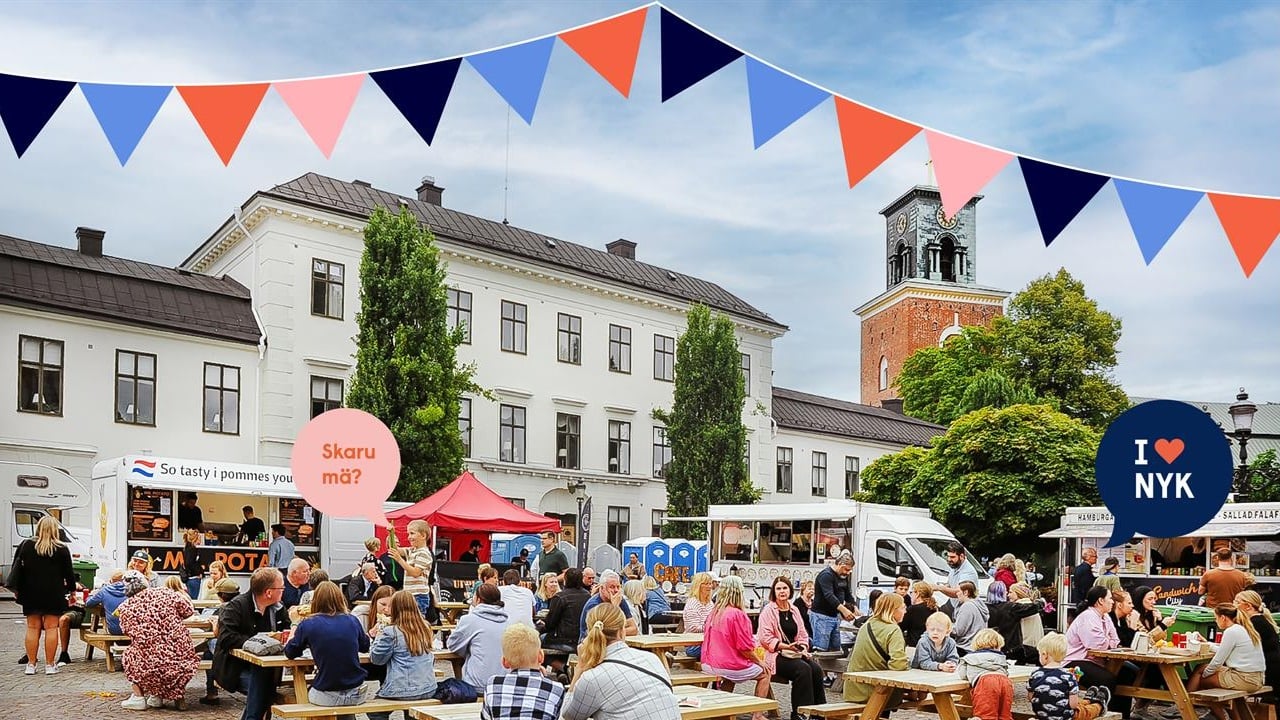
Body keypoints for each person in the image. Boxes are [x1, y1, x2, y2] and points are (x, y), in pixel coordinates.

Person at [562, 603, 680, 720]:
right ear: (622, 631)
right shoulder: (652, 659)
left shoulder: (592, 678)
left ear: (589, 632)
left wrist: (580, 668)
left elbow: (568, 715)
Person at [213, 566, 292, 720]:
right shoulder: (236, 607)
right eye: (281, 588)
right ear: (269, 592)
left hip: (268, 669)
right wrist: (257, 642)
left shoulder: (278, 608)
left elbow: (286, 630)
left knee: (263, 685)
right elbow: (226, 638)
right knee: (263, 689)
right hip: (235, 668)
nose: (284, 590)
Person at [116, 570, 200, 710]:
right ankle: (168, 697)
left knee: (130, 654)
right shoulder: (165, 593)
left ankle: (138, 697)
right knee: (174, 650)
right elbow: (188, 610)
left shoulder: (125, 608)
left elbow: (127, 632)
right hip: (181, 658)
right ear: (145, 582)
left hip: (151, 662)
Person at [284, 581, 369, 718]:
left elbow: (289, 652)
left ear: (315, 601)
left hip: (326, 693)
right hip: (355, 693)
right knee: (344, 702)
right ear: (340, 598)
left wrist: (294, 623)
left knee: (302, 694)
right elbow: (365, 647)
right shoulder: (352, 620)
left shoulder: (308, 624)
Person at [10, 515, 76, 676]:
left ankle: (31, 665)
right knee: (51, 628)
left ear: (38, 528)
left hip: (30, 592)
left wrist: (17, 589)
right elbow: (69, 574)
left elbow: (16, 568)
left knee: (32, 628)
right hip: (53, 593)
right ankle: (50, 664)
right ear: (55, 530)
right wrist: (72, 590)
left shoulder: (26, 545)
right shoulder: (62, 549)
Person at [757, 575, 826, 720]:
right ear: (774, 591)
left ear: (790, 590)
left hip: (793, 652)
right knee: (803, 669)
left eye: (785, 588)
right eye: (778, 589)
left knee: (816, 669)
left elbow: (802, 633)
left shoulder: (794, 609)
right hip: (774, 654)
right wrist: (784, 646)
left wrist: (802, 647)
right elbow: (765, 638)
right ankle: (799, 713)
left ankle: (819, 712)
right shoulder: (768, 611)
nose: (782, 591)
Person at [367, 589, 437, 720]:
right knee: (411, 709)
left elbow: (377, 659)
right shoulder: (425, 628)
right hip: (428, 687)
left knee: (375, 712)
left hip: (402, 689)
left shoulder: (391, 631)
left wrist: (378, 636)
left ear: (396, 609)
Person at [1064, 586, 1132, 719]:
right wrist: (1108, 642)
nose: (1112, 602)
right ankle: (1102, 714)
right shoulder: (1088, 617)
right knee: (1107, 679)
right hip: (1075, 661)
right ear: (1100, 601)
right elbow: (1096, 645)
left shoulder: (1105, 617)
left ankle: (1123, 716)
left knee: (1128, 674)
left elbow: (1115, 640)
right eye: (1110, 598)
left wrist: (1108, 642)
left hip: (1096, 660)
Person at [483, 623, 565, 720]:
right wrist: (544, 679)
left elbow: (486, 717)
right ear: (541, 657)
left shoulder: (492, 685)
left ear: (504, 662)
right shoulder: (556, 689)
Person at [1186, 604, 1265, 696]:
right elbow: (1224, 650)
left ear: (1223, 617)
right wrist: (1206, 643)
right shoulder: (1243, 628)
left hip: (1245, 679)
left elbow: (1217, 661)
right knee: (1200, 668)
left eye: (1216, 618)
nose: (1215, 621)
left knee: (1202, 679)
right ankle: (1189, 703)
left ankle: (1186, 704)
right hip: (1257, 677)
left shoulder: (1231, 631)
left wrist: (1205, 675)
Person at [845, 592, 909, 704]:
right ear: (893, 610)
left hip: (854, 689)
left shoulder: (866, 625)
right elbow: (898, 665)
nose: (905, 611)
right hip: (877, 692)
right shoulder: (893, 630)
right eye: (903, 608)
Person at [1029, 632, 1111, 720]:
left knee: (1065, 701)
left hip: (1042, 716)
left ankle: (1088, 700)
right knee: (1083, 712)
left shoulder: (1035, 674)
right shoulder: (1069, 676)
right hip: (1066, 717)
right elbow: (1073, 705)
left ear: (1045, 655)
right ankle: (1099, 705)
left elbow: (1031, 698)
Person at [448, 582, 512, 694]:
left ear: (478, 599)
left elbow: (452, 645)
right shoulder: (509, 622)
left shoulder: (469, 620)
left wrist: (468, 650)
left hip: (477, 685)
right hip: (504, 683)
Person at [958, 628, 1013, 720]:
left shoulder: (969, 657)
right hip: (1005, 682)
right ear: (998, 646)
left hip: (985, 683)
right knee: (1005, 714)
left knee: (986, 714)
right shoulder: (1001, 657)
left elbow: (963, 674)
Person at [1234, 590, 1280, 695]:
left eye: (1237, 602)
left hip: (1266, 674)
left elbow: (1239, 648)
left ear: (1248, 606)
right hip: (1270, 669)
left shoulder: (1254, 624)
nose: (1233, 605)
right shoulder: (1260, 620)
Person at [989, 582, 1047, 664]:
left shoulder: (1018, 607)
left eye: (1011, 592)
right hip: (1034, 647)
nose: (1008, 595)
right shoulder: (1029, 606)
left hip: (1024, 648)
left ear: (1019, 593)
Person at [812, 551, 858, 651]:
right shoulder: (826, 575)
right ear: (840, 564)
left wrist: (855, 607)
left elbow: (847, 594)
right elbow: (829, 596)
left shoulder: (843, 577)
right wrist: (844, 610)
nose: (847, 572)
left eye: (849, 570)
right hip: (822, 616)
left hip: (834, 616)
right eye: (846, 569)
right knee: (821, 649)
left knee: (835, 648)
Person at [387, 519, 434, 618]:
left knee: (415, 622)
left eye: (412, 533)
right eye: (409, 534)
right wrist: (391, 534)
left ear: (423, 536)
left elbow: (415, 573)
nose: (409, 537)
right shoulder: (412, 550)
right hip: (409, 594)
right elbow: (394, 549)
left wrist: (399, 560)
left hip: (419, 596)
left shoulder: (424, 553)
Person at [579, 570, 639, 640]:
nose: (616, 590)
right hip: (591, 645)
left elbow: (634, 629)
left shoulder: (620, 600)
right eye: (612, 587)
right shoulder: (594, 605)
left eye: (618, 587)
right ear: (602, 588)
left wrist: (616, 632)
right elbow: (600, 634)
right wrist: (615, 608)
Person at [682, 572, 716, 660]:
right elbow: (694, 627)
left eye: (710, 583)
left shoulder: (710, 603)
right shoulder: (692, 604)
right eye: (706, 584)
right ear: (698, 586)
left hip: (707, 640)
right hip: (693, 645)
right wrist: (711, 627)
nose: (709, 586)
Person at [85, 569, 129, 635]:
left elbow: (88, 603)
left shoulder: (104, 591)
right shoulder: (132, 590)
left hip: (114, 631)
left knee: (105, 617)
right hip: (131, 629)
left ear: (111, 580)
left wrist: (90, 595)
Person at [952, 580, 989, 653]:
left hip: (965, 648)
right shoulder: (980, 604)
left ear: (965, 592)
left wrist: (946, 627)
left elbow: (958, 631)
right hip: (977, 646)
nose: (956, 594)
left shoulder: (967, 606)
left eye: (958, 591)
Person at [901, 580, 938, 647]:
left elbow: (901, 627)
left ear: (917, 594)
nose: (910, 595)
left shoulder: (912, 609)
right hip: (931, 646)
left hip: (915, 646)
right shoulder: (934, 608)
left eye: (911, 592)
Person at [181, 528, 207, 599]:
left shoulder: (188, 547)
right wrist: (199, 572)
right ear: (195, 538)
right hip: (193, 578)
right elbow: (189, 563)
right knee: (193, 600)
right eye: (199, 537)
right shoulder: (192, 549)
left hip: (191, 578)